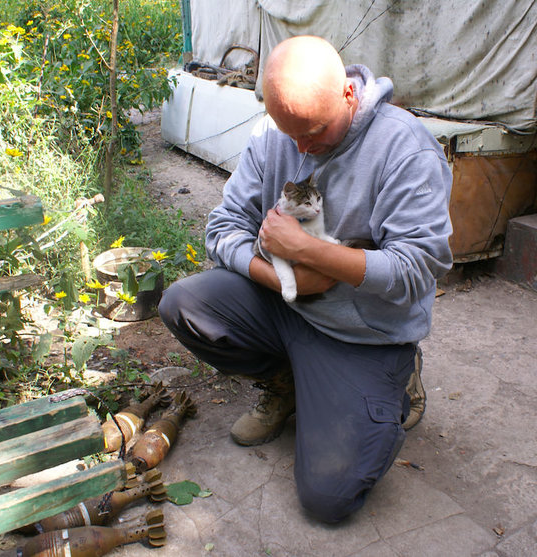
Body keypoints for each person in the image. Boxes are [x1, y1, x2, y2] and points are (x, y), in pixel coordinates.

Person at [159, 35, 453, 522]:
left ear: (347, 94)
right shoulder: (274, 134)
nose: (301, 149)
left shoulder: (405, 148)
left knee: (328, 499)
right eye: (288, 132)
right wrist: (281, 280)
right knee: (183, 303)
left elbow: (419, 268)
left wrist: (309, 253)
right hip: (284, 305)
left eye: (313, 132)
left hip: (362, 335)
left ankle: (398, 379)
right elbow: (221, 228)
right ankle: (284, 380)